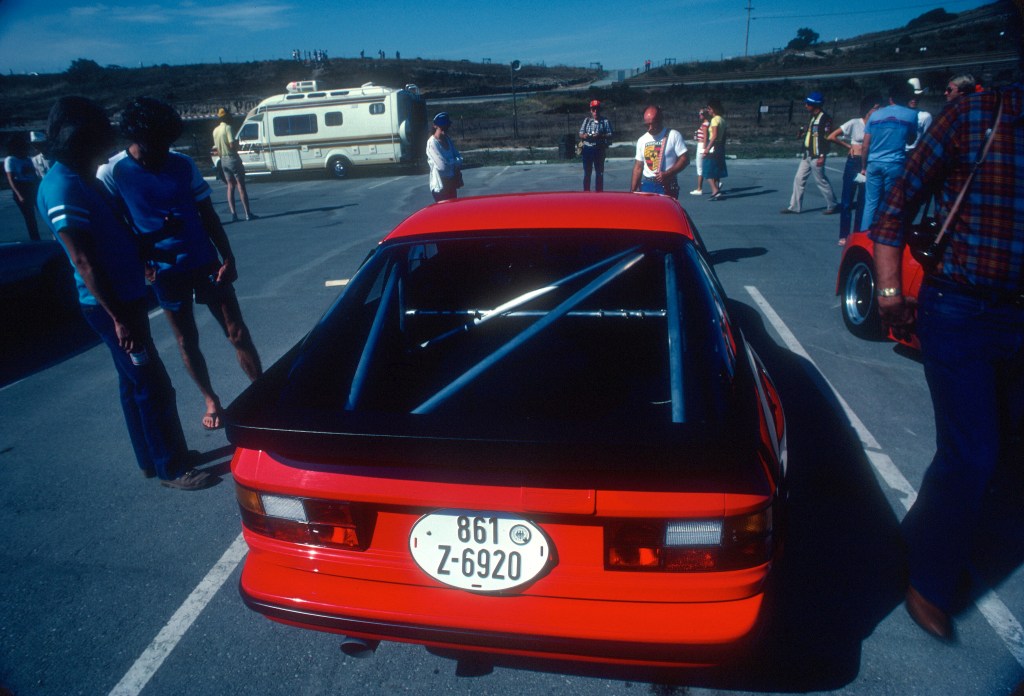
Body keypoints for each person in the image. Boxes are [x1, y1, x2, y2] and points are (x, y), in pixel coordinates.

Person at [870, 72, 1023, 642]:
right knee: (974, 451)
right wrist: (888, 291)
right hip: (962, 309)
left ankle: (919, 538)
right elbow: (896, 202)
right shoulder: (977, 115)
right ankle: (928, 582)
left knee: (1000, 451)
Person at [37, 96, 210, 490]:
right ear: (80, 140)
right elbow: (82, 261)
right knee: (152, 383)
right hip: (113, 306)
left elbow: (114, 236)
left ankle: (151, 457)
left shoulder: (84, 179)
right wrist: (119, 319)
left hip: (125, 296)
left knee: (132, 383)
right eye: (98, 140)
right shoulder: (64, 185)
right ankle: (172, 467)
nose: (104, 148)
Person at [99, 96, 262, 431]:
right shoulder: (112, 172)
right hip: (164, 271)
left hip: (204, 261)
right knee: (187, 340)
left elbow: (207, 213)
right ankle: (211, 399)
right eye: (155, 144)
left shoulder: (182, 164)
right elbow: (117, 228)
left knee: (237, 331)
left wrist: (227, 255)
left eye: (167, 143)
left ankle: (262, 393)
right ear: (135, 138)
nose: (163, 150)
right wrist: (144, 260)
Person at [859, 81, 918, 231]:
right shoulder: (912, 115)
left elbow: (865, 145)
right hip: (895, 163)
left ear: (891, 98)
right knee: (889, 202)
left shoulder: (875, 115)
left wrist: (863, 166)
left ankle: (865, 234)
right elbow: (911, 139)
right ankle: (885, 234)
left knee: (870, 203)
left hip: (874, 162)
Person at [827, 94, 880, 244]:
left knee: (863, 202)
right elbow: (832, 136)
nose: (877, 111)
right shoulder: (854, 123)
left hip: (868, 164)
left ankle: (857, 235)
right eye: (875, 108)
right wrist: (849, 146)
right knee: (847, 202)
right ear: (867, 109)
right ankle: (844, 235)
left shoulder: (877, 125)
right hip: (853, 163)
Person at [781, 91, 838, 214]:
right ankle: (794, 206)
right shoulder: (812, 117)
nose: (806, 106)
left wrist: (822, 155)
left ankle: (832, 204)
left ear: (815, 105)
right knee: (798, 179)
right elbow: (812, 134)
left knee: (821, 181)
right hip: (807, 154)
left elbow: (826, 138)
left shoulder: (825, 119)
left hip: (817, 155)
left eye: (808, 104)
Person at [630, 105, 688, 198]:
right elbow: (638, 167)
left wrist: (668, 173)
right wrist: (632, 191)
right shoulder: (642, 140)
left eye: (652, 124)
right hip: (647, 185)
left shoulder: (673, 135)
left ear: (660, 120)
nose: (650, 128)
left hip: (667, 184)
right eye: (647, 125)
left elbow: (685, 159)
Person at [211, 107, 255, 222]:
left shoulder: (215, 131)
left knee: (230, 186)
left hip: (223, 160)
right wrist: (237, 146)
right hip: (232, 158)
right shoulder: (228, 128)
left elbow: (217, 149)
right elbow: (231, 145)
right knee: (241, 185)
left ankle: (234, 214)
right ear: (227, 116)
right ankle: (247, 213)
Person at [5, 132, 41, 241]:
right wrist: (19, 195)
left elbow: (35, 174)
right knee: (30, 218)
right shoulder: (10, 160)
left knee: (43, 212)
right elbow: (10, 179)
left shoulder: (28, 159)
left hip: (33, 186)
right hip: (21, 188)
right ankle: (35, 239)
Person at [426, 112, 463, 202]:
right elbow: (442, 167)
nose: (444, 131)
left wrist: (449, 161)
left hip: (451, 182)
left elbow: (460, 158)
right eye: (442, 128)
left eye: (446, 128)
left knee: (453, 211)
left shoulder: (447, 139)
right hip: (440, 186)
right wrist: (454, 161)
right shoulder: (432, 143)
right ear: (435, 126)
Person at [578, 100, 613, 192]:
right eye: (593, 109)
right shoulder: (587, 121)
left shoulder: (605, 121)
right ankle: (586, 192)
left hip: (599, 149)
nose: (595, 112)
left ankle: (599, 193)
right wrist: (585, 136)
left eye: (597, 109)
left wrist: (600, 135)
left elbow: (610, 134)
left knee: (599, 173)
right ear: (591, 110)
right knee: (587, 173)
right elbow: (580, 133)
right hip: (587, 149)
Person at [702, 100, 728, 201]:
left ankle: (715, 190)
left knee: (707, 168)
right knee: (716, 168)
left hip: (713, 145)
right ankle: (717, 189)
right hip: (720, 146)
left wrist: (707, 148)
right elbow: (724, 135)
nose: (708, 111)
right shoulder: (722, 120)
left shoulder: (714, 120)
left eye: (709, 109)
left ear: (713, 109)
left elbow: (714, 135)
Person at [906, 77, 933, 152]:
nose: (914, 100)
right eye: (911, 96)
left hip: (915, 152)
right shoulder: (897, 114)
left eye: (916, 97)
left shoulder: (926, 116)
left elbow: (927, 139)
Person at [690, 108, 710, 196]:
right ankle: (716, 182)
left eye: (701, 114)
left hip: (701, 146)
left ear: (704, 115)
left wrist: (704, 148)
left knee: (700, 168)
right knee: (706, 166)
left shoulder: (705, 125)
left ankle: (699, 188)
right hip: (702, 144)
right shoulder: (707, 124)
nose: (700, 116)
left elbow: (705, 137)